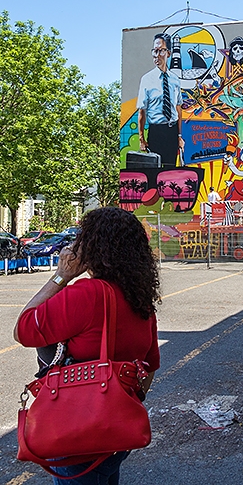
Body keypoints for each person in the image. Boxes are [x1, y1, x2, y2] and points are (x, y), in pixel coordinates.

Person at [13, 207, 161, 484]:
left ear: (94, 248)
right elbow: (150, 366)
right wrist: (120, 403)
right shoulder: (141, 301)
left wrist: (60, 276)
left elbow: (24, 329)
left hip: (77, 433)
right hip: (116, 433)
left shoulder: (87, 295)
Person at [137, 32, 185, 166]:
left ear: (168, 53)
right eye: (154, 51)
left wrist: (179, 136)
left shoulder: (175, 79)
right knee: (155, 170)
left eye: (161, 51)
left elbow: (178, 108)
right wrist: (141, 138)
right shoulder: (147, 79)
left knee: (169, 172)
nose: (157, 55)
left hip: (172, 131)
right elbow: (142, 111)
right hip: (156, 132)